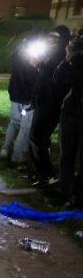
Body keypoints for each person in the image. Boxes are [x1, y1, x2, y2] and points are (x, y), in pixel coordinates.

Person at [29, 26, 73, 187]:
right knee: (36, 137)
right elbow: (43, 76)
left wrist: (40, 63)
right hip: (42, 100)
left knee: (38, 136)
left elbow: (57, 78)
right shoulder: (51, 53)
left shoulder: (64, 56)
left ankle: (45, 173)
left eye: (55, 36)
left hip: (52, 103)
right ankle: (39, 171)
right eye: (50, 35)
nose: (51, 39)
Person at [0, 36, 40, 165]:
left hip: (16, 95)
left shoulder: (16, 56)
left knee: (14, 122)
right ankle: (18, 156)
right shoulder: (31, 59)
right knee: (25, 127)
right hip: (27, 98)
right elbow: (33, 78)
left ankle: (6, 149)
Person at [54, 33, 83, 208]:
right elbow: (59, 80)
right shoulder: (74, 58)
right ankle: (64, 189)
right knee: (67, 154)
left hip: (75, 111)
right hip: (71, 111)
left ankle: (77, 194)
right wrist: (68, 58)